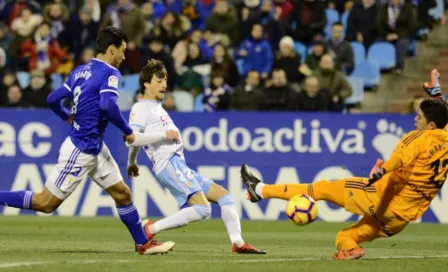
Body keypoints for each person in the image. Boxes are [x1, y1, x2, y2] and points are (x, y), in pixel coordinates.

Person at [0, 27, 175, 255]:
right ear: (112, 50)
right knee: (45, 203)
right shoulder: (111, 73)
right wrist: (127, 129)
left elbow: (52, 99)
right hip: (81, 148)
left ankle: (143, 244)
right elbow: (107, 105)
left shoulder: (80, 71)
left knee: (122, 193)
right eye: (122, 51)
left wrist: (66, 116)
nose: (124, 56)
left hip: (96, 147)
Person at [240, 84, 448, 259]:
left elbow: (397, 160)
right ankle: (351, 250)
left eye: (419, 117)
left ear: (430, 125)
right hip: (399, 220)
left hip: (379, 197)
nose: (415, 120)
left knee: (320, 188)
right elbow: (443, 118)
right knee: (345, 237)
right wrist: (437, 97)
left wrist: (381, 171)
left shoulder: (418, 138)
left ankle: (260, 190)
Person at [126, 59, 266, 254]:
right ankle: (150, 228)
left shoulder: (156, 107)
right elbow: (132, 139)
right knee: (203, 209)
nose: (164, 85)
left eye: (166, 80)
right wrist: (163, 135)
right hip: (169, 164)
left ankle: (238, 243)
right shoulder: (141, 108)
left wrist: (132, 162)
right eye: (159, 80)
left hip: (179, 165)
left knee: (226, 198)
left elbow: (136, 141)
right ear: (146, 83)